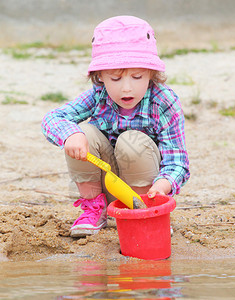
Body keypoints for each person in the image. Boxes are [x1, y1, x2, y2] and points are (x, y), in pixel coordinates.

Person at [41, 15, 190, 237]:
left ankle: (141, 211)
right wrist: (70, 134)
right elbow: (53, 118)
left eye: (137, 77)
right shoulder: (99, 95)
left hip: (146, 188)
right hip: (108, 184)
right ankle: (94, 208)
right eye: (116, 79)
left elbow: (178, 160)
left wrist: (164, 184)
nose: (126, 89)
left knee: (132, 141)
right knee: (84, 133)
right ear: (100, 76)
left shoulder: (164, 102)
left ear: (151, 74)